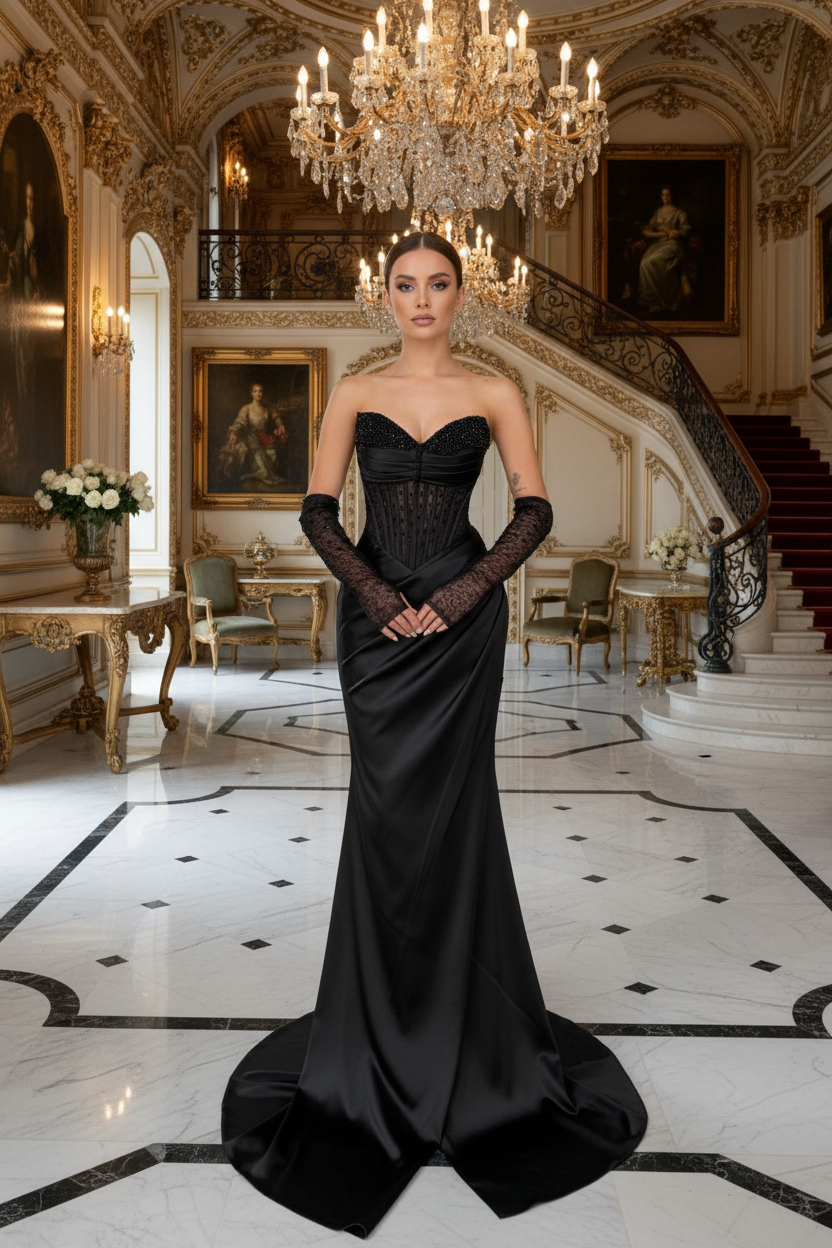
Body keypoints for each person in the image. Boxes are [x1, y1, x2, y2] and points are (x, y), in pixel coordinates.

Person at [221, 231, 648, 1237]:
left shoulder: (497, 389)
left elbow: (534, 512)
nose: (421, 300)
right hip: (376, 626)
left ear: (464, 293)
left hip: (460, 623)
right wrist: (378, 594)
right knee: (383, 820)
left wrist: (456, 597)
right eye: (405, 285)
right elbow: (317, 513)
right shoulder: (353, 391)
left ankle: (468, 1031)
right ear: (384, 296)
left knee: (457, 819)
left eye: (438, 284)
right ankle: (376, 1029)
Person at [217, 381, 288, 490]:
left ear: (263, 393)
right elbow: (240, 422)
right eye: (255, 391)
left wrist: (281, 425)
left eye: (260, 391)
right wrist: (234, 431)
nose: (258, 394)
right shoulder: (246, 408)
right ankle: (250, 476)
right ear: (251, 393)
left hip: (263, 438)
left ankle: (256, 475)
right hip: (251, 439)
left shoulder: (267, 409)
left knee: (273, 453)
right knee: (263, 466)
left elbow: (277, 417)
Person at [637, 184, 692, 316]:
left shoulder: (679, 213)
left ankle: (666, 301)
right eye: (663, 195)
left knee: (652, 261)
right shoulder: (658, 212)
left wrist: (667, 231)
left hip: (673, 245)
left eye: (668, 194)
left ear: (672, 196)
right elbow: (648, 230)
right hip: (659, 243)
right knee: (644, 263)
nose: (665, 197)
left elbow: (684, 231)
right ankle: (653, 300)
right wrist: (659, 234)